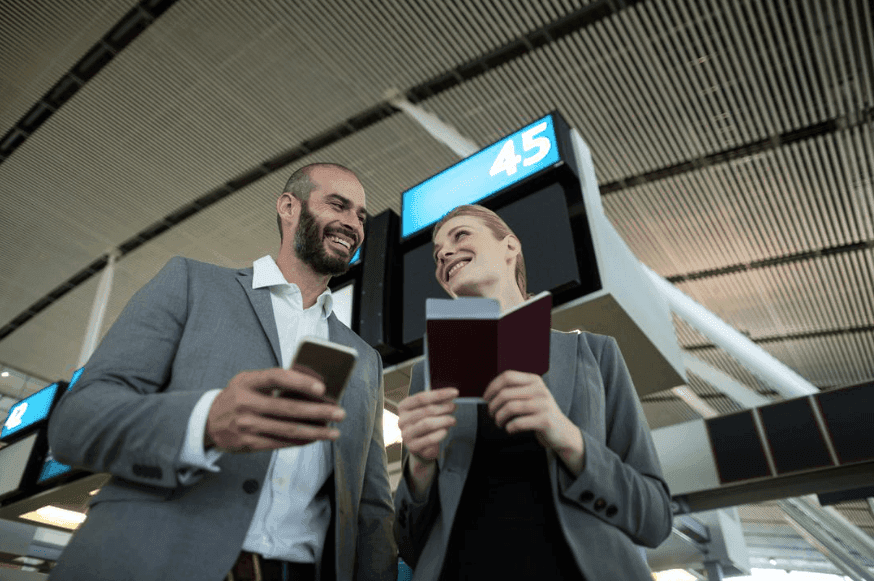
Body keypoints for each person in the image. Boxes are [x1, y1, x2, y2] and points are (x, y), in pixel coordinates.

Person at [47, 163, 397, 581]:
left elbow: (371, 505)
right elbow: (76, 422)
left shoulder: (363, 359)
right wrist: (205, 422)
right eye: (337, 205)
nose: (352, 224)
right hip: (153, 563)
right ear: (289, 206)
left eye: (360, 215)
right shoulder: (192, 284)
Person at [393, 205, 672, 580]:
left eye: (460, 235)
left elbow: (654, 518)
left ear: (510, 246)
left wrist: (568, 436)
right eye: (437, 252)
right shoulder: (428, 375)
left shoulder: (594, 354)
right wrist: (419, 467)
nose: (443, 253)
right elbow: (409, 544)